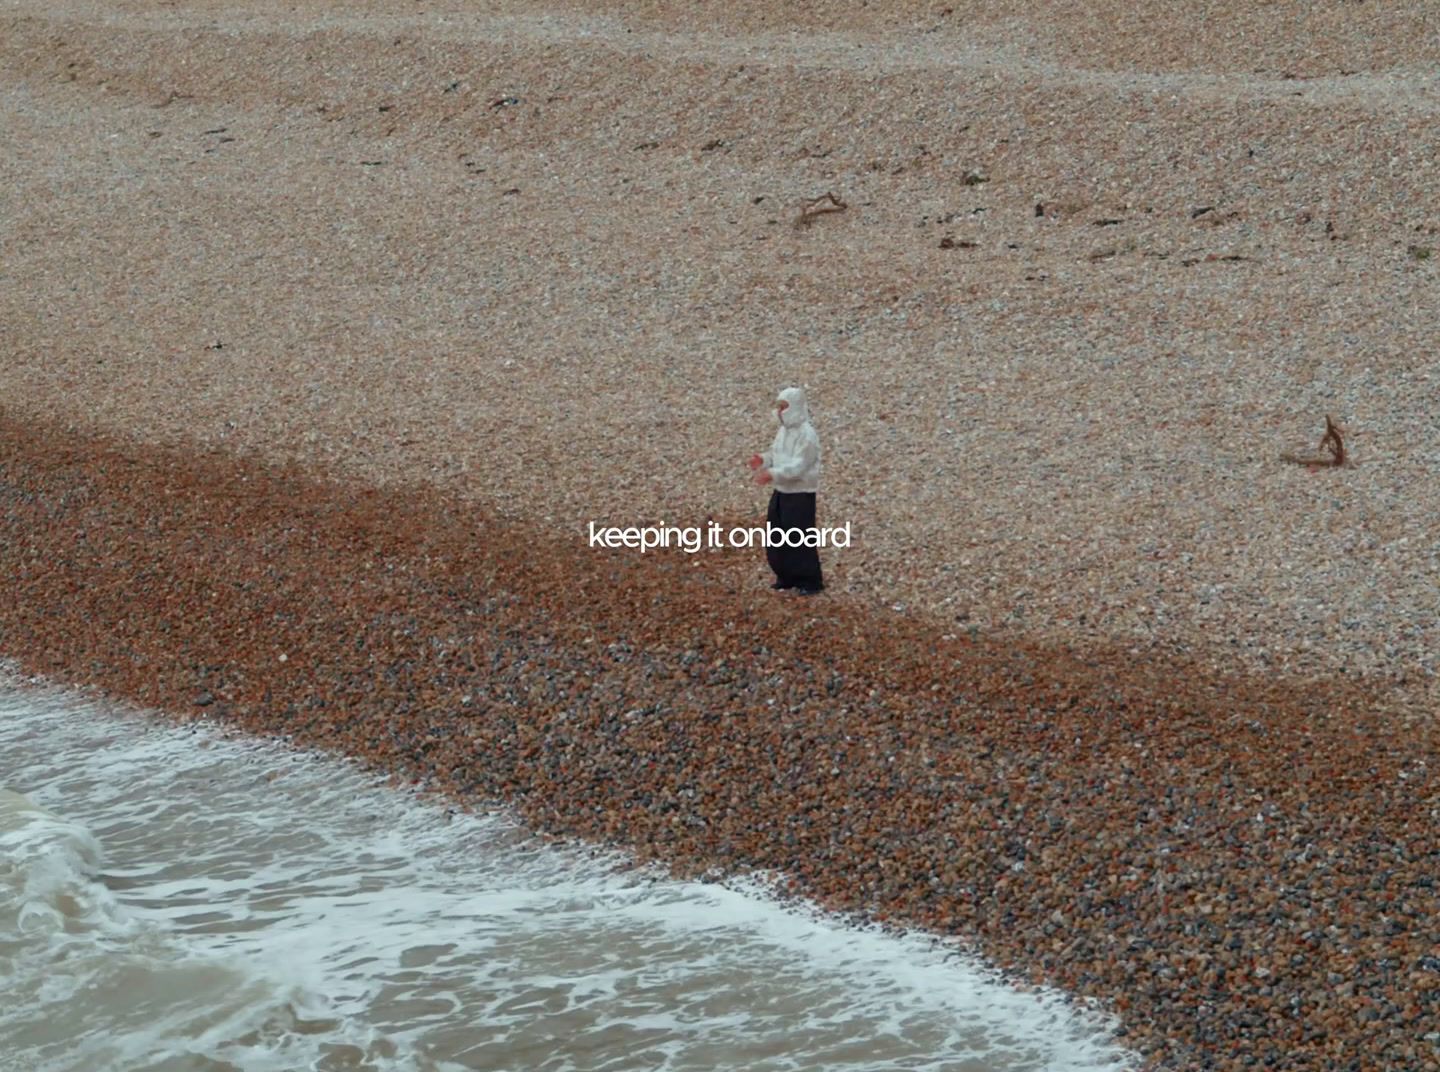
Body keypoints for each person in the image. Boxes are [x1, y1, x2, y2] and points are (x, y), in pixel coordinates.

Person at [748, 386, 824, 594]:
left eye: (784, 407)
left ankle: (810, 581)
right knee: (776, 535)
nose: (780, 412)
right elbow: (775, 454)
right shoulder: (783, 431)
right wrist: (762, 460)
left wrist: (772, 474)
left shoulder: (807, 435)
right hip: (782, 491)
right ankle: (786, 576)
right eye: (779, 407)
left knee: (799, 537)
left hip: (800, 493)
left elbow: (799, 466)